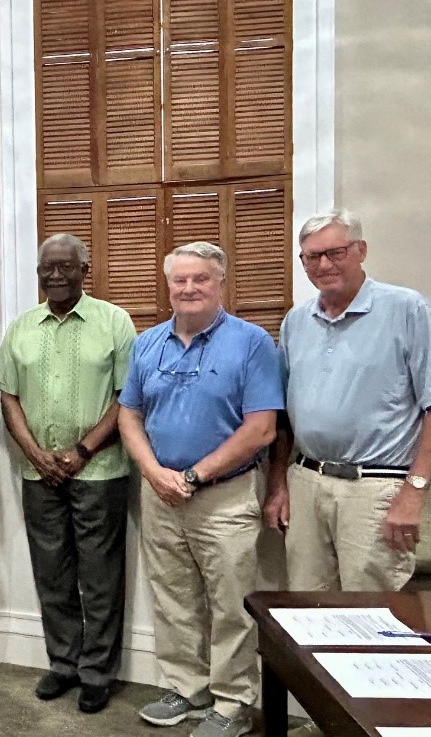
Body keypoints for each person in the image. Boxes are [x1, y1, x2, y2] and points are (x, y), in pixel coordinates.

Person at [118, 242, 283, 737]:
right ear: (167, 287)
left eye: (201, 279)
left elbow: (261, 429)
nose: (189, 289)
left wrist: (193, 477)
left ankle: (233, 703)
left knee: (231, 603)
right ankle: (186, 688)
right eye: (179, 281)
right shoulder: (147, 343)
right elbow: (129, 414)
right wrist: (152, 471)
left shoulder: (252, 343)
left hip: (225, 497)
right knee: (172, 598)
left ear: (220, 283)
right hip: (160, 493)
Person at [266, 210, 431, 593]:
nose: (324, 264)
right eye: (311, 256)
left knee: (373, 618)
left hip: (374, 488)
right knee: (308, 611)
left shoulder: (408, 309)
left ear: (361, 250)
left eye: (335, 252)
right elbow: (284, 416)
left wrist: (414, 492)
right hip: (307, 482)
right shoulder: (296, 322)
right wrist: (279, 483)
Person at [0, 234, 136, 714]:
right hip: (39, 476)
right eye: (46, 267)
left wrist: (82, 449)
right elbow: (7, 395)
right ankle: (64, 663)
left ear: (84, 269)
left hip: (100, 470)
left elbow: (127, 397)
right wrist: (34, 452)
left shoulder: (114, 322)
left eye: (65, 266)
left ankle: (97, 672)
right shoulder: (22, 327)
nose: (55, 274)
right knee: (52, 574)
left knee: (100, 578)